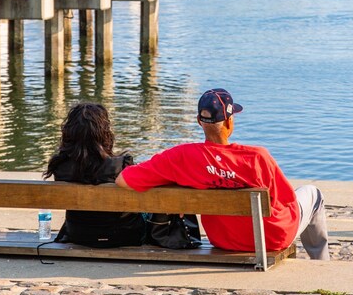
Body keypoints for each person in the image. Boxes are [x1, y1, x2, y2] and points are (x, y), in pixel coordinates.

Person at [116, 88, 330, 260]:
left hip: (225, 240)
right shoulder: (257, 157)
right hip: (273, 239)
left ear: (199, 121)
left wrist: (181, 185)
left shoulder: (181, 157)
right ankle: (322, 265)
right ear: (229, 121)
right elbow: (287, 200)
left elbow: (123, 179)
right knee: (313, 194)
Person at [43, 102, 147, 248]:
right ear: (104, 132)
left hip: (78, 234)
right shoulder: (122, 164)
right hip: (125, 235)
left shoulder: (59, 167)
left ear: (70, 132)